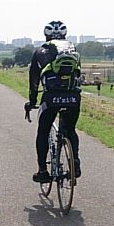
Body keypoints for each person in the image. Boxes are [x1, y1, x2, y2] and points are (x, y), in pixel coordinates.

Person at [27, 20, 82, 183]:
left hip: (51, 98)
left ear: (46, 35)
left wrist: (32, 102)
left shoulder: (40, 51)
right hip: (73, 97)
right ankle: (75, 163)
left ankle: (43, 171)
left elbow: (34, 81)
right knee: (70, 129)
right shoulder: (73, 50)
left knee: (43, 132)